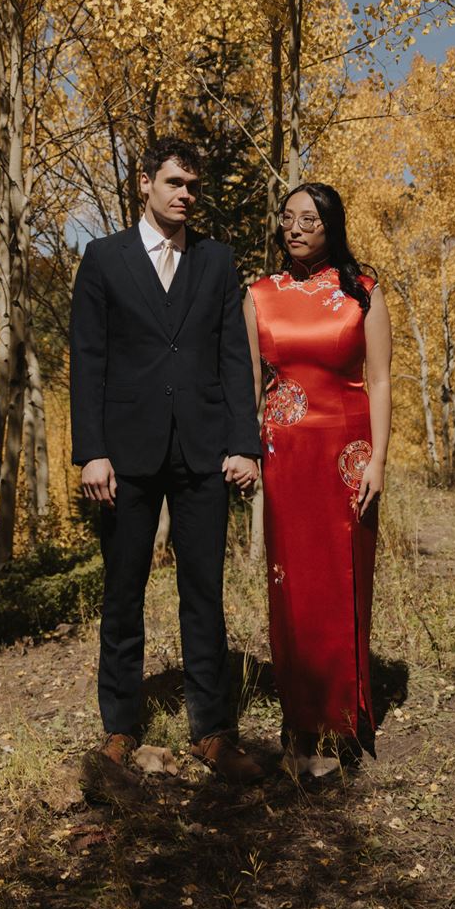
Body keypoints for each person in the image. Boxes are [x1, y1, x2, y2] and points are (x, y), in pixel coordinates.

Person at [69, 135, 265, 783]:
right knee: (122, 592)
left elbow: (234, 358)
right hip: (123, 455)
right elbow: (88, 360)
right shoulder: (102, 259)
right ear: (144, 184)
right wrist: (91, 452)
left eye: (193, 187)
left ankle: (211, 731)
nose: (186, 195)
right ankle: (120, 727)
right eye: (175, 183)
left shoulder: (215, 261)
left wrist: (243, 444)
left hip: (202, 450)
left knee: (202, 594)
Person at [244, 182, 392, 777]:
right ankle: (301, 727)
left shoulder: (363, 291)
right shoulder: (258, 295)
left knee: (346, 579)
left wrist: (379, 458)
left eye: (310, 219)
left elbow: (379, 381)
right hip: (286, 454)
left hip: (350, 452)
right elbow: (246, 385)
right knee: (292, 586)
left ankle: (347, 719)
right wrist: (244, 451)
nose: (296, 228)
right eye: (287, 218)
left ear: (332, 226)